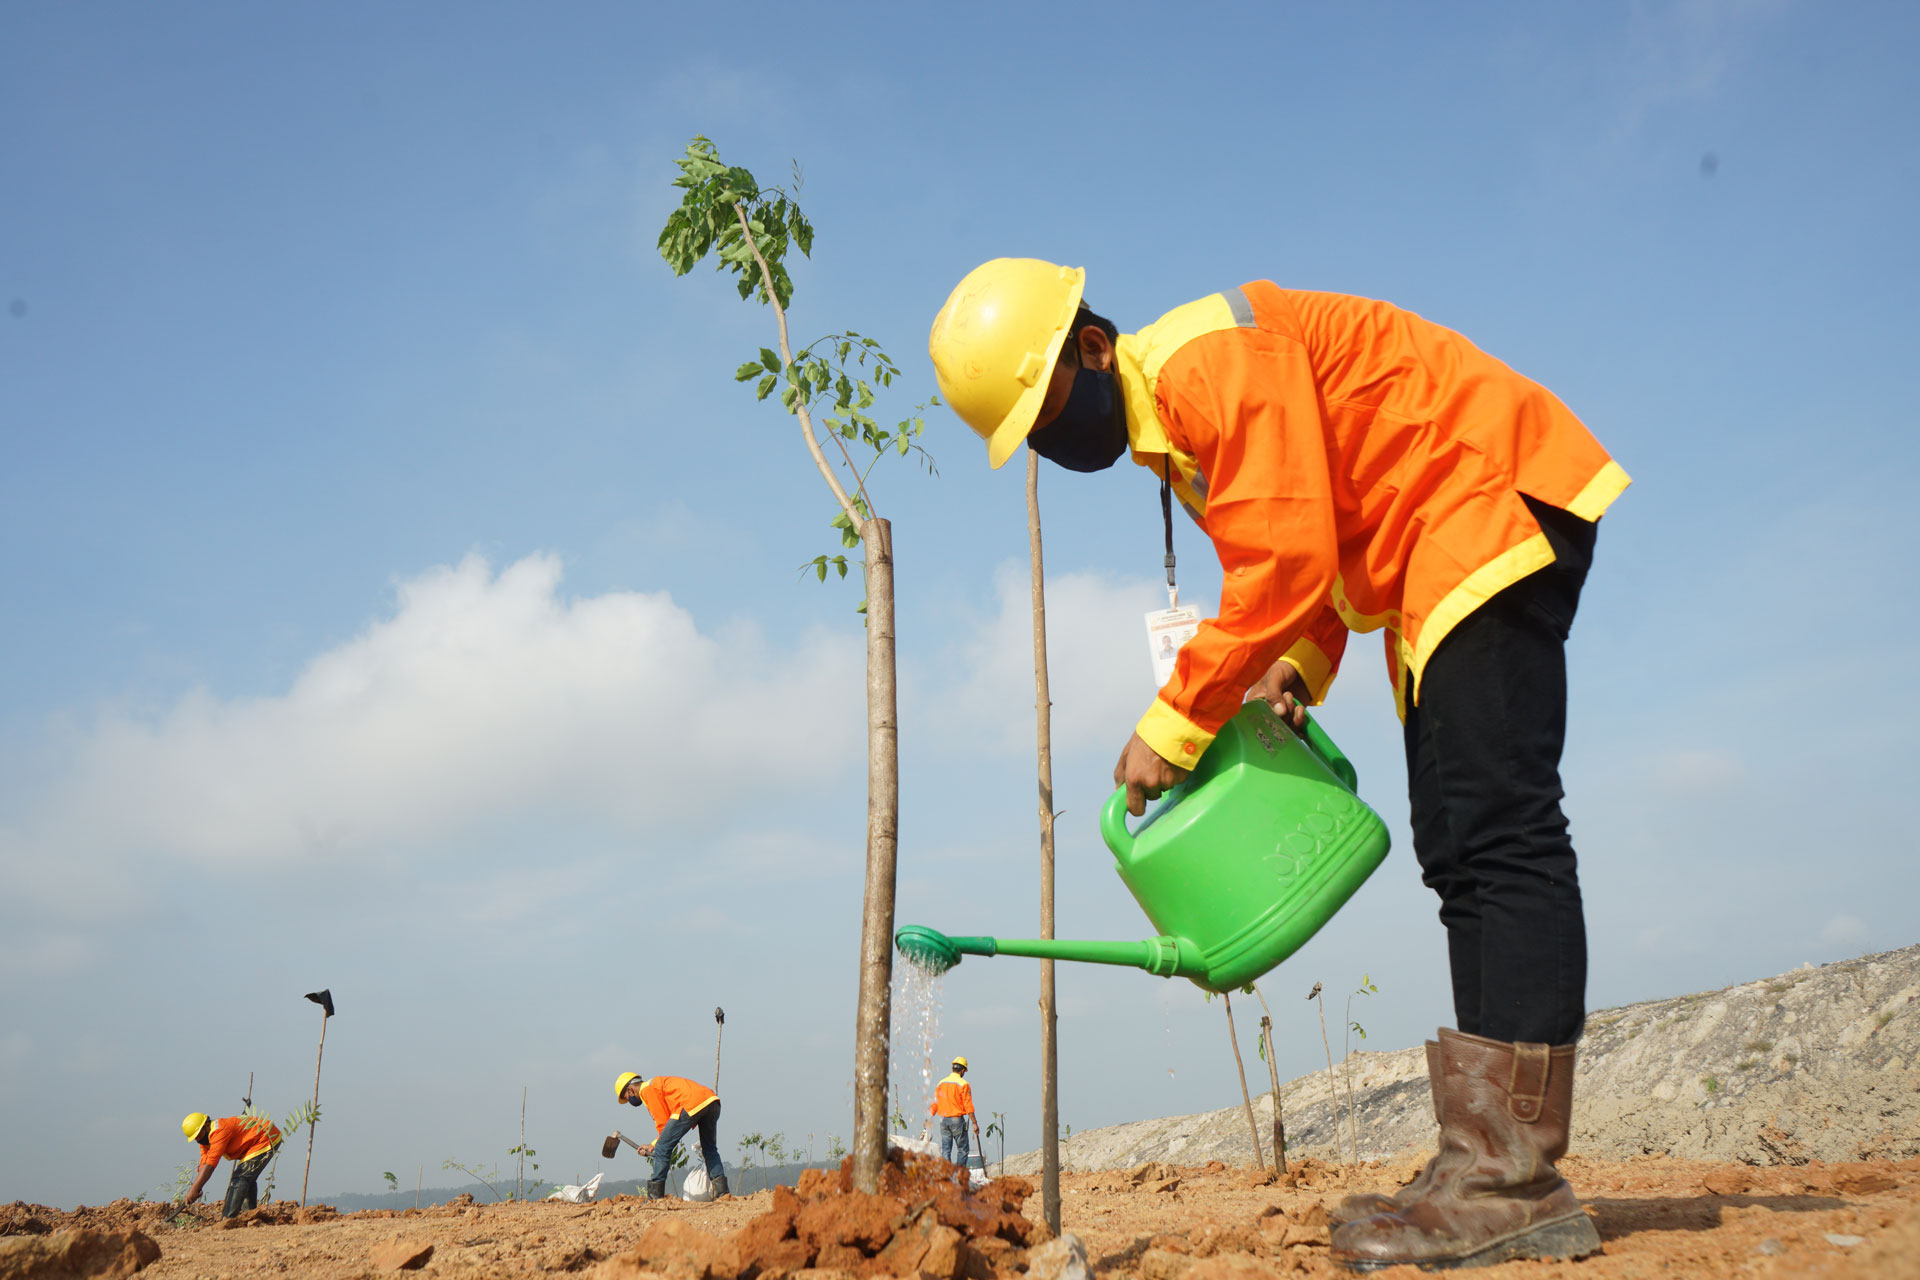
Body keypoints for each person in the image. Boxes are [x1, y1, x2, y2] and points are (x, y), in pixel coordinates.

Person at [929, 261, 1628, 1271]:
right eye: (1029, 432)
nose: (1049, 436)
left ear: (1091, 345)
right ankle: (1482, 1158)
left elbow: (1285, 561)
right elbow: (1303, 565)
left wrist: (1172, 725)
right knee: (1456, 846)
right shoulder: (1181, 433)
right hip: (1426, 543)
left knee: (1501, 828)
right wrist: (1293, 668)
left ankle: (1513, 1178)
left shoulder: (1204, 366)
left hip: (1480, 496)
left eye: (1042, 408)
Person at [614, 1072, 730, 1200]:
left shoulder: (647, 1090)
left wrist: (655, 1146)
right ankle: (723, 1193)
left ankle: (655, 1197)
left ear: (630, 1090)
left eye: (626, 1097)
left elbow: (663, 1124)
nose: (629, 1101)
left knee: (662, 1148)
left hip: (691, 1103)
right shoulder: (656, 1084)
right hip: (711, 1100)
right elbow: (668, 1125)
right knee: (709, 1149)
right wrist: (652, 1145)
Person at [179, 1111, 282, 1217]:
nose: (198, 1139)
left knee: (241, 1177)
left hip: (266, 1136)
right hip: (254, 1143)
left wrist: (194, 1189)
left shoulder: (220, 1131)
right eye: (196, 1138)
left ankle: (228, 1218)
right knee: (247, 1178)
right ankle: (250, 1215)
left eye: (199, 1135)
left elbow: (210, 1165)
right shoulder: (205, 1140)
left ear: (206, 1125)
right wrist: (196, 1187)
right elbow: (204, 1163)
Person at [927, 1056, 983, 1172]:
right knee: (962, 1149)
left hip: (943, 1120)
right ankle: (958, 1175)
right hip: (956, 1120)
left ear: (952, 1068)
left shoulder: (941, 1083)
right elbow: (968, 1106)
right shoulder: (963, 1084)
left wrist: (928, 1118)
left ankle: (947, 1176)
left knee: (946, 1150)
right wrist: (974, 1123)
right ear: (962, 1070)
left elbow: (934, 1104)